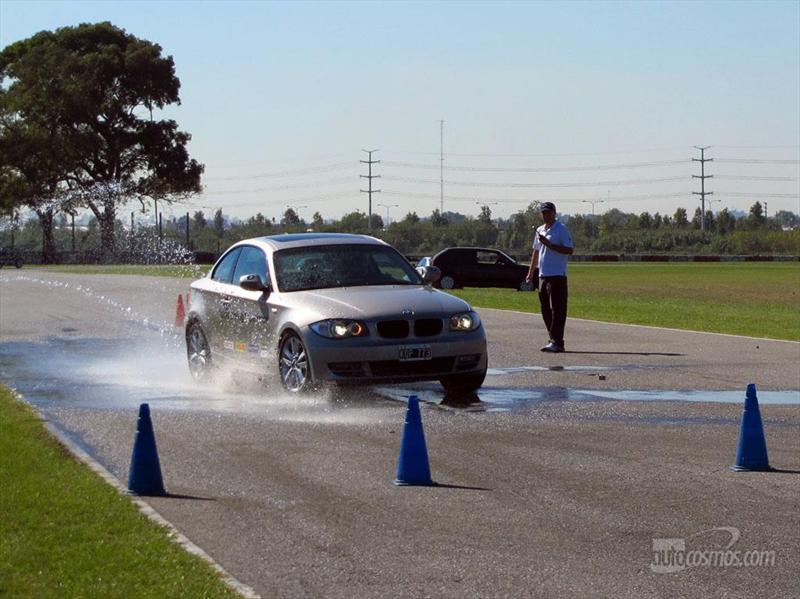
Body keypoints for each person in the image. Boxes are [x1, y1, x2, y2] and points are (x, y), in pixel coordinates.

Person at [525, 201, 574, 353]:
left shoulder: (561, 230)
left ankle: (558, 341)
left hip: (557, 275)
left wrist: (549, 244)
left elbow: (569, 250)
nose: (546, 215)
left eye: (549, 212)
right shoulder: (540, 230)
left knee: (558, 310)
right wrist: (530, 272)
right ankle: (552, 338)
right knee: (545, 309)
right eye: (544, 213)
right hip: (543, 275)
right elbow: (536, 252)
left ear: (554, 213)